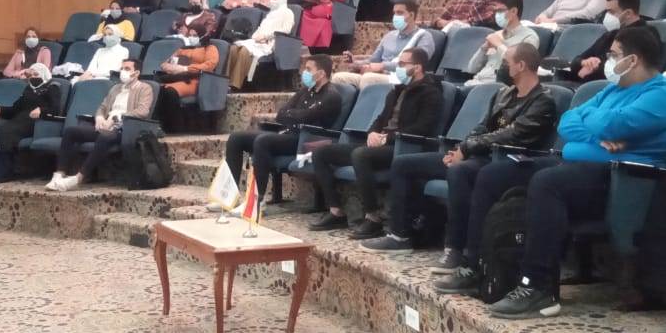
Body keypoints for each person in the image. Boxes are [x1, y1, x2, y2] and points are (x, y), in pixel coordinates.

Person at [469, 27, 666, 317]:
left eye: (614, 55)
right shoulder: (613, 90)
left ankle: (538, 287)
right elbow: (568, 122)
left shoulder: (661, 98)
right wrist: (597, 134)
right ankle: (476, 266)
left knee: (547, 182)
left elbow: (607, 125)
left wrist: (593, 121)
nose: (608, 60)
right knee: (495, 174)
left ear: (633, 60)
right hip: (582, 167)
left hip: (622, 180)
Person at [361, 44, 555, 259]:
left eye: (505, 62)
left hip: (502, 160)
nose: (501, 67)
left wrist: (466, 149)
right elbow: (482, 127)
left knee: (458, 171)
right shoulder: (504, 93)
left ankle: (455, 248)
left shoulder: (543, 101)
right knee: (404, 164)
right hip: (477, 153)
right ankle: (400, 236)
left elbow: (512, 134)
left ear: (521, 65)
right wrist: (460, 149)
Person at [310, 48, 443, 233]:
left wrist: (388, 137)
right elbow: (380, 119)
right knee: (321, 153)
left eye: (402, 64)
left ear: (418, 67)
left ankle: (372, 216)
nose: (398, 68)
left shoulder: (431, 93)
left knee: (360, 154)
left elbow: (423, 127)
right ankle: (336, 211)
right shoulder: (396, 90)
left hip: (402, 146)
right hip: (379, 143)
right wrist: (372, 132)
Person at [223, 55, 342, 205]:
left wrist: (294, 114)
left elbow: (306, 117)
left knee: (263, 141)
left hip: (307, 141)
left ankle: (257, 200)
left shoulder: (331, 96)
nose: (304, 73)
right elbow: (281, 114)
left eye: (308, 69)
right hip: (288, 134)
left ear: (321, 73)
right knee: (236, 138)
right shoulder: (306, 90)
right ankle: (229, 196)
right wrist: (297, 115)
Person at [48, 59, 155, 191]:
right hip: (106, 125)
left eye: (127, 69)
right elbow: (103, 107)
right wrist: (99, 118)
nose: (123, 71)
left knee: (104, 137)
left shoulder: (145, 88)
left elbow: (143, 111)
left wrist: (116, 118)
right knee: (71, 132)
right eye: (122, 68)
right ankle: (59, 175)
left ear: (136, 73)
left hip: (124, 129)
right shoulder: (116, 88)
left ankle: (79, 178)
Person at [0, 63, 61, 183]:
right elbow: (16, 108)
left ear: (44, 74)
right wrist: (1, 109)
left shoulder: (52, 87)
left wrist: (41, 110)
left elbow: (55, 109)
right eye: (31, 75)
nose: (33, 77)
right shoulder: (28, 89)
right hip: (17, 121)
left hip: (35, 123)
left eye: (36, 74)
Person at [332, 1, 434, 88]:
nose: (395, 16)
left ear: (411, 15)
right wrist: (355, 63)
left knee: (368, 78)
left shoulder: (423, 36)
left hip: (400, 77)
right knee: (339, 77)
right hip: (378, 74)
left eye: (400, 13)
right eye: (394, 13)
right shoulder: (390, 35)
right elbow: (374, 60)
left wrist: (383, 66)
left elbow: (418, 64)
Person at [561, 0, 647, 82]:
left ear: (628, 13)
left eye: (611, 12)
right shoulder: (611, 33)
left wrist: (594, 68)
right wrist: (584, 62)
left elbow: (622, 70)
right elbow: (577, 60)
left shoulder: (644, 37)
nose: (607, 16)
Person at [463, 0, 539, 83]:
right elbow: (472, 69)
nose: (497, 15)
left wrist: (498, 45)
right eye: (495, 11)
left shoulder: (529, 37)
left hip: (498, 86)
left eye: (500, 11)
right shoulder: (496, 35)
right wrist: (484, 48)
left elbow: (520, 68)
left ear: (514, 11)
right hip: (475, 82)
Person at [226, 0, 295, 88]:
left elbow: (286, 30)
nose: (271, 0)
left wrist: (266, 37)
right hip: (258, 41)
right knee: (234, 48)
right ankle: (226, 81)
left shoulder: (288, 12)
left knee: (244, 51)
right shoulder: (270, 13)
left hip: (272, 43)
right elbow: (260, 29)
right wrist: (256, 37)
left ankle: (235, 84)